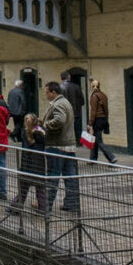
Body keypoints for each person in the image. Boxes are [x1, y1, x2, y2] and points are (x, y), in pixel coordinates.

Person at [42, 81, 79, 212]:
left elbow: (60, 120)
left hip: (57, 145)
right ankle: (71, 203)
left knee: (53, 176)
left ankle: (46, 205)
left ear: (53, 92)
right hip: (69, 145)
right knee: (70, 177)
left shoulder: (58, 104)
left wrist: (45, 126)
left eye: (47, 92)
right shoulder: (66, 102)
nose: (46, 95)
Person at [4, 113, 46, 223]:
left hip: (26, 164)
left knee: (23, 188)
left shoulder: (24, 133)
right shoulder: (40, 133)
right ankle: (43, 209)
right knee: (40, 188)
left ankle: (15, 207)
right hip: (39, 165)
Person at [88, 79, 117, 163]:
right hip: (103, 119)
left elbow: (93, 111)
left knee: (99, 141)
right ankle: (92, 159)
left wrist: (90, 123)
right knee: (95, 139)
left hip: (97, 120)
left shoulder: (94, 96)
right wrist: (106, 119)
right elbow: (106, 109)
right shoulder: (103, 95)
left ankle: (111, 157)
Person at [60, 70, 85, 147]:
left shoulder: (59, 87)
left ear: (61, 78)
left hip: (65, 113)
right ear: (68, 77)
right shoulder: (76, 87)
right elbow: (82, 101)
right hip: (76, 113)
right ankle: (77, 142)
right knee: (76, 129)